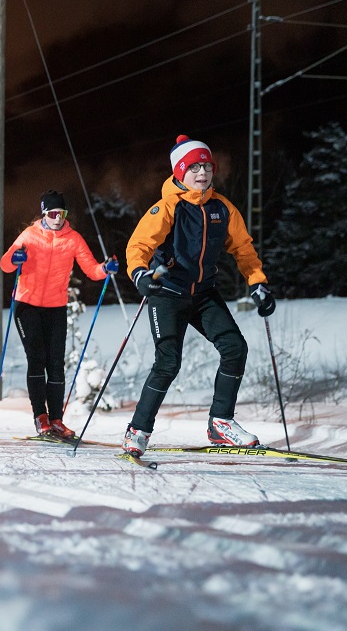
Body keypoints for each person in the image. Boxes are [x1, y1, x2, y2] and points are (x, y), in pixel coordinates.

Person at [123, 135, 277, 457]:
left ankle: (220, 422)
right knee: (168, 362)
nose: (202, 172)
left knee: (235, 348)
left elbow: (243, 249)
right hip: (167, 293)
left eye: (206, 165)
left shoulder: (223, 208)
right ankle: (138, 430)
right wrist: (140, 274)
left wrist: (257, 283)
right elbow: (138, 246)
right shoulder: (167, 207)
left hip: (204, 293)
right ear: (180, 171)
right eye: (194, 167)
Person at [0, 190, 118, 441]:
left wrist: (105, 269)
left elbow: (91, 269)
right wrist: (15, 257)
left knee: (55, 363)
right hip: (27, 305)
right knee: (37, 357)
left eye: (61, 213)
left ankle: (56, 419)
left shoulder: (73, 239)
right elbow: (5, 263)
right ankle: (40, 416)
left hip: (55, 307)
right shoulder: (30, 236)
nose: (57, 218)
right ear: (44, 214)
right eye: (52, 213)